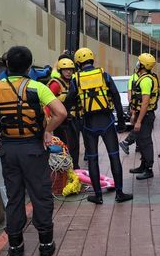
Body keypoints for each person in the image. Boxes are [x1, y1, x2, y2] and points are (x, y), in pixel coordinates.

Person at [0, 46, 67, 256]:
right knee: (40, 195)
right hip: (33, 149)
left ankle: (15, 247)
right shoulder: (36, 87)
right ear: (30, 66)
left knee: (14, 197)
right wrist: (48, 131)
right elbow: (61, 112)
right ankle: (45, 245)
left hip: (8, 149)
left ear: (7, 65)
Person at [64, 47, 133, 204]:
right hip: (107, 121)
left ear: (78, 63)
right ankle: (119, 194)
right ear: (92, 60)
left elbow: (69, 100)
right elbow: (115, 96)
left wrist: (67, 115)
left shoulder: (76, 79)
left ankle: (98, 196)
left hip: (88, 124)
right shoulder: (104, 75)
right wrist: (121, 120)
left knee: (93, 160)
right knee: (114, 156)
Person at [128, 53, 159, 180]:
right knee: (140, 141)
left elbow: (145, 102)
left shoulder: (146, 80)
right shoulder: (144, 77)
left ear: (142, 65)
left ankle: (149, 169)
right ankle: (143, 165)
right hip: (141, 114)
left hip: (146, 115)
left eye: (138, 62)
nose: (137, 63)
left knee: (146, 142)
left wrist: (139, 121)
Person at [47, 57, 80, 169]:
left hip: (73, 119)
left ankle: (75, 168)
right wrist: (48, 121)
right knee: (65, 146)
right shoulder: (56, 84)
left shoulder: (73, 83)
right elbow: (47, 103)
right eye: (66, 70)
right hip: (61, 122)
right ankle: (66, 169)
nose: (69, 72)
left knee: (75, 146)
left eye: (70, 70)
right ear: (60, 71)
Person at [118, 68, 140, 154]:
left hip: (138, 106)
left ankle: (137, 146)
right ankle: (126, 142)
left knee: (139, 127)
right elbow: (130, 95)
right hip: (137, 107)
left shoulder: (143, 77)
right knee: (138, 127)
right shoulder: (133, 78)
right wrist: (133, 110)